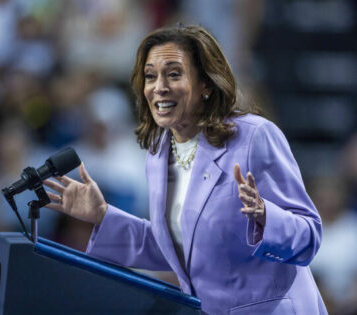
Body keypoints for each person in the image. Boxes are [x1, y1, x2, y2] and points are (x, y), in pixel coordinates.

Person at [43, 24, 327, 314]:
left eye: (174, 74)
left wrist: (266, 216)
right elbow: (181, 249)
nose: (159, 87)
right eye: (150, 76)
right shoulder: (158, 155)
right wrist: (101, 215)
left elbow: (309, 236)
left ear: (205, 83)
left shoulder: (254, 137)